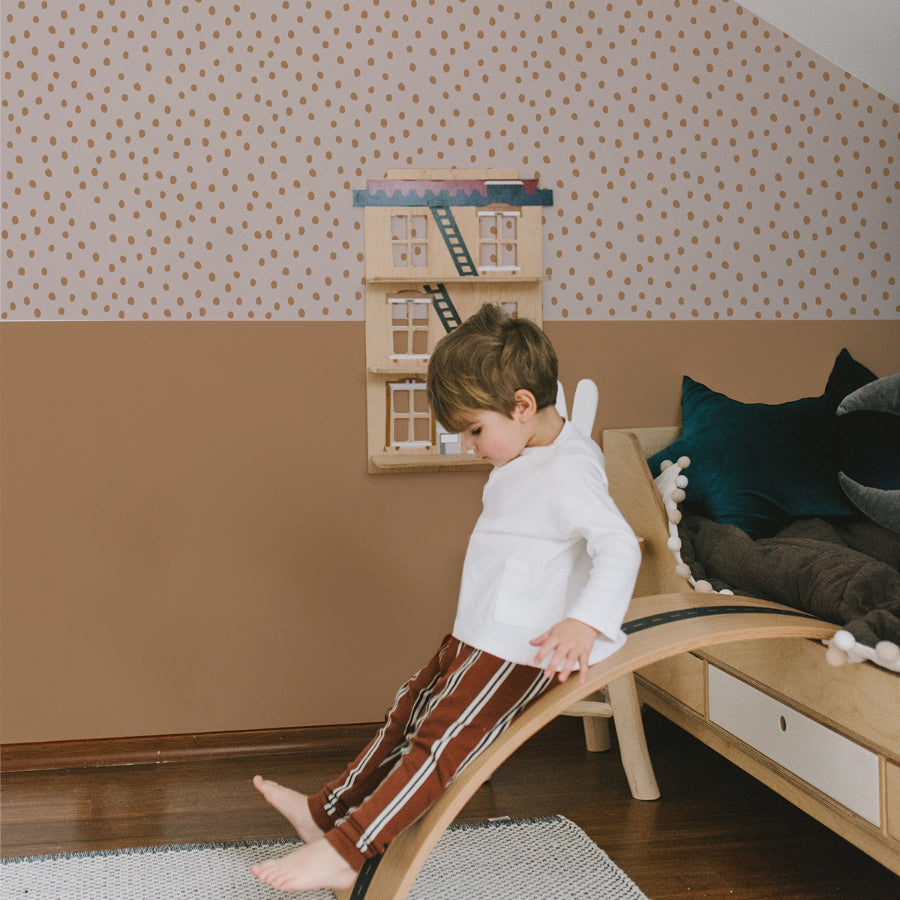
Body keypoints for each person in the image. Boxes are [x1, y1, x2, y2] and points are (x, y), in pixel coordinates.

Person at [250, 303, 641, 892]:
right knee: (410, 706)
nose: (467, 446)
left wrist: (585, 622)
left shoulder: (568, 470)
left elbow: (619, 546)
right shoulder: (534, 439)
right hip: (482, 627)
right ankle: (325, 812)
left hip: (520, 644)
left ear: (523, 406)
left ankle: (349, 851)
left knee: (439, 744)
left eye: (474, 430)